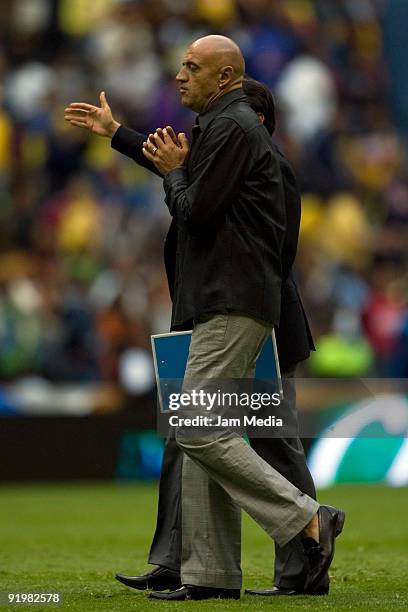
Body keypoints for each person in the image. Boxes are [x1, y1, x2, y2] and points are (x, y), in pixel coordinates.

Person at [65, 35, 344, 602]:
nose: (178, 75)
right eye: (181, 65)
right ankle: (210, 575)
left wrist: (175, 176)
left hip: (235, 303)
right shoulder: (223, 131)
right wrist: (119, 135)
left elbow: (195, 206)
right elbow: (191, 181)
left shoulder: (236, 129)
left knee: (204, 429)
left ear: (226, 78)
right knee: (207, 437)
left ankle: (309, 522)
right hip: (221, 302)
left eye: (192, 67)